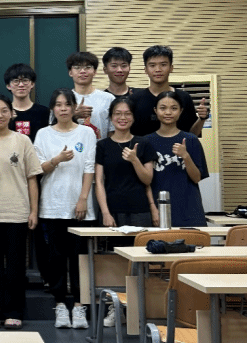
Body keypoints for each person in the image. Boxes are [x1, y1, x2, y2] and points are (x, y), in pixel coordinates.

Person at [0, 95, 42, 330]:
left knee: (15, 266)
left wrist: (33, 211)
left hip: (17, 212)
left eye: (4, 110)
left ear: (12, 114)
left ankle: (14, 311)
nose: (0, 115)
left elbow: (32, 178)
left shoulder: (22, 140)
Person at [33, 88, 97, 330]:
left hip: (80, 206)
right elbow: (38, 169)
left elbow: (89, 168)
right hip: (52, 205)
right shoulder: (43, 134)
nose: (63, 109)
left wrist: (83, 198)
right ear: (53, 108)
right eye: (58, 104)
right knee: (56, 258)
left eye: (67, 104)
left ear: (74, 108)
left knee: (80, 258)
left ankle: (80, 305)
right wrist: (57, 160)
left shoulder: (86, 133)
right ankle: (60, 303)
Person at [146, 91, 208, 227]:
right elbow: (145, 181)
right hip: (158, 210)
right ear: (155, 110)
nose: (168, 112)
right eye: (163, 108)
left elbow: (197, 178)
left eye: (174, 108)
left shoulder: (191, 140)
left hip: (189, 210)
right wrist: (152, 207)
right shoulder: (146, 142)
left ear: (181, 111)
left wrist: (185, 156)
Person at [95, 97, 158, 228]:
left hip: (140, 210)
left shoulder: (143, 143)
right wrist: (105, 212)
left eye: (127, 113)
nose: (122, 118)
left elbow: (147, 180)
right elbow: (99, 182)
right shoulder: (102, 145)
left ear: (133, 117)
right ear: (111, 117)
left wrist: (135, 160)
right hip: (112, 210)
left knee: (140, 242)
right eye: (117, 113)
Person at [130, 45, 208, 137]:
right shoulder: (135, 100)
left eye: (163, 65)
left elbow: (192, 135)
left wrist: (202, 119)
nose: (158, 70)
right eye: (152, 65)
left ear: (171, 68)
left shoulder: (184, 97)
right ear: (145, 70)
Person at [67, 51, 114, 141]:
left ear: (95, 72)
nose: (82, 71)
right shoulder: (63, 99)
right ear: (70, 72)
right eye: (77, 67)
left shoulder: (108, 99)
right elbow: (54, 128)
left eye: (88, 67)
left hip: (99, 148)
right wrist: (72, 115)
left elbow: (113, 132)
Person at [4, 63, 49, 142]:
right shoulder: (4, 113)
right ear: (8, 86)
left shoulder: (44, 112)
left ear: (32, 84)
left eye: (25, 80)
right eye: (16, 81)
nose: (21, 85)